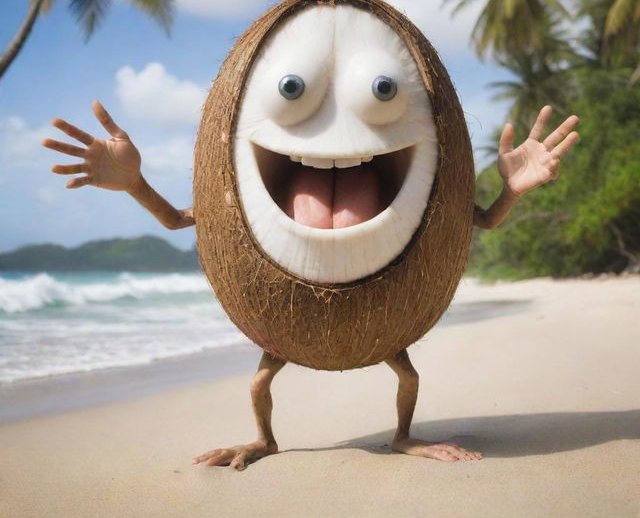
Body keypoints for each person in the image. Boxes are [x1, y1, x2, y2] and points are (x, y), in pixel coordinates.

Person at [43, 100, 579, 466]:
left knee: (405, 376)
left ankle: (401, 436)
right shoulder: (249, 189)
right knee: (259, 384)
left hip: (383, 310)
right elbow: (176, 219)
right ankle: (266, 440)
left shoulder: (406, 180)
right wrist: (134, 182)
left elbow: (479, 218)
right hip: (288, 315)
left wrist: (513, 190)